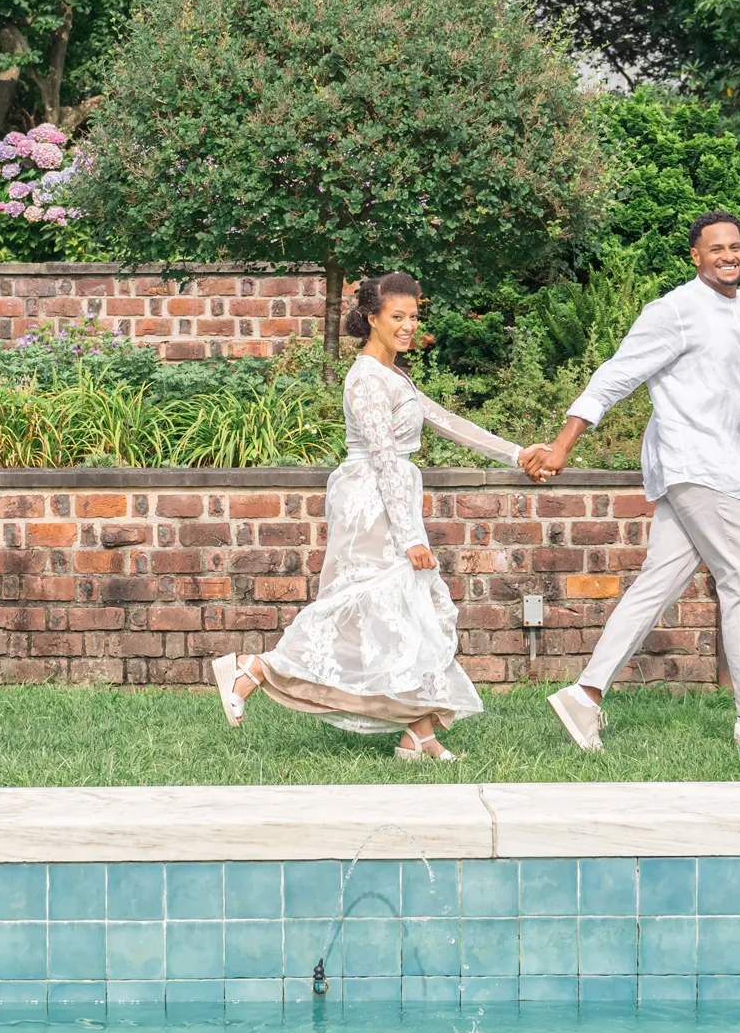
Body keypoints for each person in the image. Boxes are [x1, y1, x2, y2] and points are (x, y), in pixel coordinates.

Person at [516, 211, 740, 753]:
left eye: (735, 246)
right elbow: (614, 376)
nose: (729, 255)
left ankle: (584, 695)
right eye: (716, 249)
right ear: (696, 256)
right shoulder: (674, 310)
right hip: (695, 464)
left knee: (657, 584)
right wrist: (563, 444)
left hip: (724, 463)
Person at [211, 273, 529, 760]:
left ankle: (418, 735)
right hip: (372, 505)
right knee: (358, 609)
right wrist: (409, 539)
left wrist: (519, 453)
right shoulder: (364, 379)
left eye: (414, 316)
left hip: (392, 498)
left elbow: (445, 421)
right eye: (397, 317)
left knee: (404, 614)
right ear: (372, 318)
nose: (408, 326)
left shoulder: (394, 374)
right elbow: (382, 458)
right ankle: (253, 667)